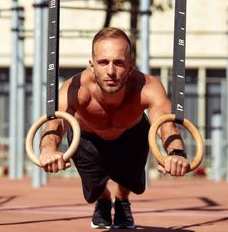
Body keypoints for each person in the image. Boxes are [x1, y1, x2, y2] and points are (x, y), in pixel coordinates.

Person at [39, 27, 189, 229]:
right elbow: (55, 124)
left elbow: (166, 127)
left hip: (131, 137)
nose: (110, 71)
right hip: (87, 139)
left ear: (130, 67)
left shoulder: (148, 87)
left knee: (129, 182)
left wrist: (176, 152)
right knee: (95, 190)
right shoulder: (76, 89)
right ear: (92, 65)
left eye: (118, 63)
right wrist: (48, 149)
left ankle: (121, 199)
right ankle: (103, 199)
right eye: (103, 62)